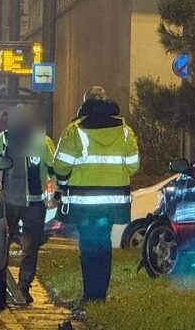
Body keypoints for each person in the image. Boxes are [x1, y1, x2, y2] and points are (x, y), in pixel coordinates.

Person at [52, 86, 139, 303]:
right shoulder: (125, 131)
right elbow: (133, 166)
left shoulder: (75, 131)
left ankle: (90, 294)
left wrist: (63, 185)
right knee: (104, 245)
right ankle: (100, 294)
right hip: (113, 202)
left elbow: (61, 166)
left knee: (88, 246)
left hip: (84, 203)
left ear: (85, 106)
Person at [0, 104, 55, 304]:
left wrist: (56, 194)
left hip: (32, 203)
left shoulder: (41, 141)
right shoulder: (6, 137)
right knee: (4, 246)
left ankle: (23, 288)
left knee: (29, 248)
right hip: (12, 201)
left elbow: (55, 167)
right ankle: (5, 286)